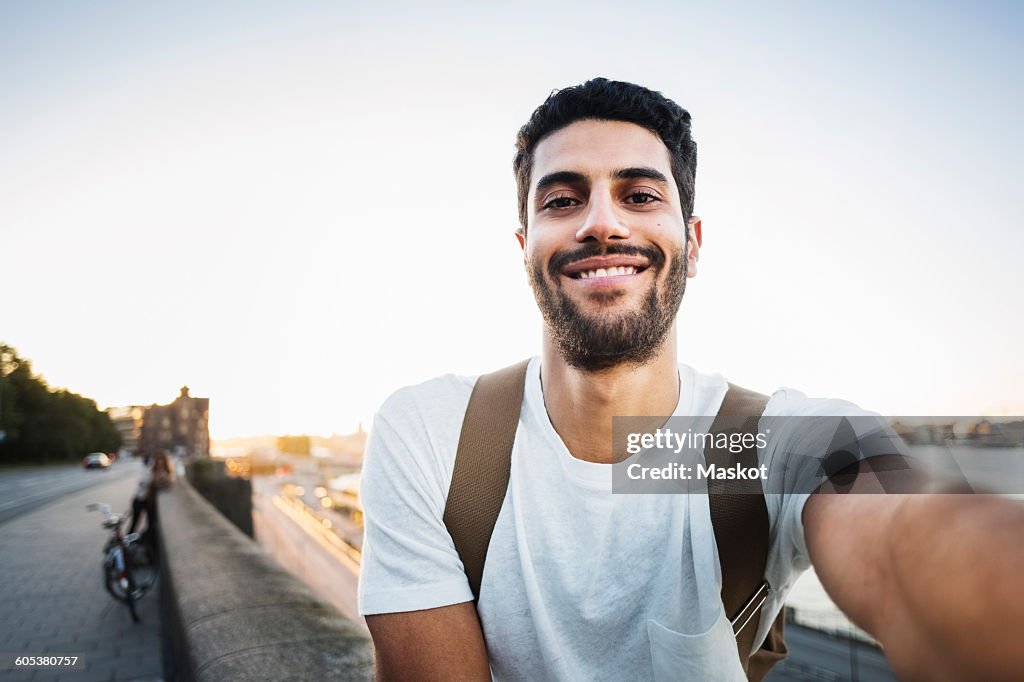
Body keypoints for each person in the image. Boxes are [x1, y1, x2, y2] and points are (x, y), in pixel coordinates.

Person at [357, 78, 1024, 680]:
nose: (601, 223)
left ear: (693, 242)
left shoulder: (771, 446)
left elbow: (905, 540)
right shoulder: (432, 437)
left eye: (640, 194)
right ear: (524, 246)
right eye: (563, 200)